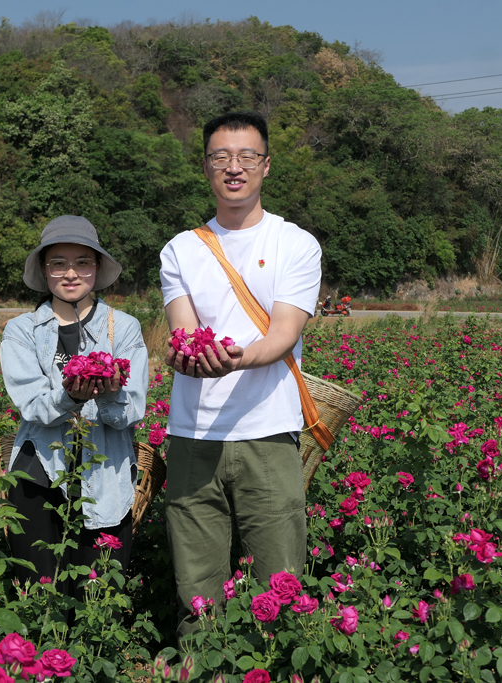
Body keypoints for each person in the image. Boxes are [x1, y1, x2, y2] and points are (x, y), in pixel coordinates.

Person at [159, 111, 322, 637]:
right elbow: (184, 331)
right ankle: (200, 665)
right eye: (221, 157)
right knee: (197, 588)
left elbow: (282, 334)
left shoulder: (295, 244)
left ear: (265, 165)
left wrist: (236, 358)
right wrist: (185, 354)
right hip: (193, 434)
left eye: (247, 156)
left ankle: (275, 665)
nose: (234, 167)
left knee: (280, 579)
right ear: (206, 166)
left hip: (267, 432)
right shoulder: (181, 249)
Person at [0, 215, 148, 593]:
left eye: (83, 262)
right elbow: (32, 404)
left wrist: (110, 394)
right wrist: (71, 397)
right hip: (39, 475)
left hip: (106, 477)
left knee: (98, 594)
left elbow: (133, 409)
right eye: (58, 263)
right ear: (44, 269)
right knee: (40, 592)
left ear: (97, 267)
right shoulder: (22, 330)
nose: (70, 273)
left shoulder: (123, 327)